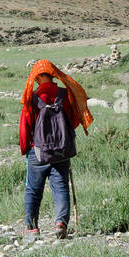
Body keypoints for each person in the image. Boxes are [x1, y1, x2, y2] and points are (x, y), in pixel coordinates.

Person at [19, 58, 93, 241]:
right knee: (60, 188)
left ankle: (32, 229)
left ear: (36, 77)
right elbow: (73, 120)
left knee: (33, 190)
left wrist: (25, 148)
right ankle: (60, 224)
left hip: (38, 151)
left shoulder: (33, 96)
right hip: (62, 150)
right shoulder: (64, 94)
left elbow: (25, 126)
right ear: (53, 75)